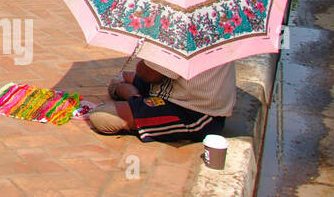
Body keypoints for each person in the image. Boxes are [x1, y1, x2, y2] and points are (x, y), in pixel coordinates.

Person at [85, 59, 235, 143]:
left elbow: (149, 74)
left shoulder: (181, 27)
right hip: (174, 86)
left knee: (102, 116)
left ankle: (137, 101)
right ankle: (137, 100)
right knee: (121, 79)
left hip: (196, 113)